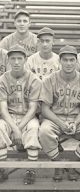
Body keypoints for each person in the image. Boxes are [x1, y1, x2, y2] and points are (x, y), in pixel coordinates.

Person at [39, 45, 80, 182]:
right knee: (44, 131)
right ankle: (58, 163)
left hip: (76, 118)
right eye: (65, 60)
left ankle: (72, 163)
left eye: (72, 60)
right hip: (55, 118)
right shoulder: (49, 80)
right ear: (60, 61)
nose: (69, 63)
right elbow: (45, 109)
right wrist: (60, 123)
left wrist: (75, 122)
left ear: (77, 61)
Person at [0, 44, 42, 184]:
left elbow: (33, 108)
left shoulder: (34, 79)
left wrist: (18, 128)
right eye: (13, 58)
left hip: (27, 116)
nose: (16, 62)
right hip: (9, 116)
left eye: (19, 58)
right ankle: (2, 169)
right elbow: (3, 109)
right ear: (8, 60)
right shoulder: (3, 79)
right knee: (0, 126)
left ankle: (30, 170)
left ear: (25, 59)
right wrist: (14, 128)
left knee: (33, 128)